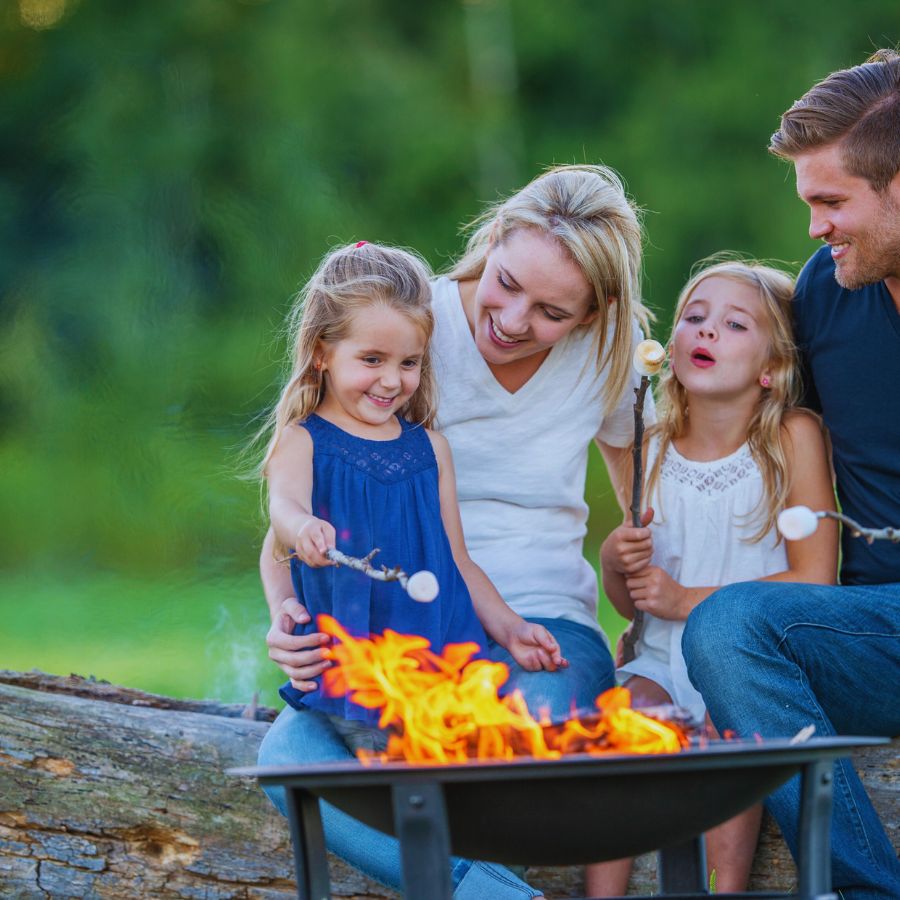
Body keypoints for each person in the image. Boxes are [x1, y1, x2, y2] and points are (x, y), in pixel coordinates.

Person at [258, 165, 654, 899]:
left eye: (551, 312)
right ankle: (488, 892)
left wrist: (650, 626)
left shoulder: (610, 355)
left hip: (540, 620)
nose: (511, 319)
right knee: (289, 755)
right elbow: (296, 504)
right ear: (494, 238)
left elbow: (646, 507)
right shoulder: (405, 331)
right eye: (507, 283)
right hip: (400, 624)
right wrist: (285, 614)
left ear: (595, 314)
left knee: (516, 735)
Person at [260, 239, 568, 899]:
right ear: (322, 351)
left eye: (408, 362)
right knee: (334, 775)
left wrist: (510, 627)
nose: (391, 380)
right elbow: (278, 526)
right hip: (354, 668)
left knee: (432, 793)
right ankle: (489, 892)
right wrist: (287, 588)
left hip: (435, 665)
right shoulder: (305, 438)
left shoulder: (429, 447)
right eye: (370, 360)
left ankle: (478, 883)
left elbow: (457, 558)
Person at [682, 50, 900, 900]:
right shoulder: (827, 292)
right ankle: (867, 890)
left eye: (831, 201)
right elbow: (736, 412)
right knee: (730, 631)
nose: (815, 226)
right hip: (875, 634)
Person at [585, 259, 837, 896]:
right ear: (668, 350)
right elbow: (637, 603)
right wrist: (619, 563)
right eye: (694, 318)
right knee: (617, 737)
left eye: (733, 324)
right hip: (657, 661)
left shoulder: (789, 439)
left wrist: (684, 599)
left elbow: (815, 583)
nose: (706, 332)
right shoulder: (653, 445)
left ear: (772, 368)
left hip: (748, 669)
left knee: (730, 751)